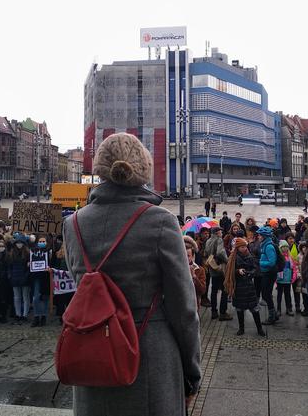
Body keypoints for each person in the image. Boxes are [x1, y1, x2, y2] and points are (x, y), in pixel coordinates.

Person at [62, 132, 200, 414]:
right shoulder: (160, 221)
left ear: (99, 168)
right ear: (143, 170)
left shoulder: (73, 224)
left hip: (93, 355)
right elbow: (184, 309)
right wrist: (191, 373)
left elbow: (84, 291)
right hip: (150, 358)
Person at [224, 237, 266, 337]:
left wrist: (249, 273)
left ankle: (259, 328)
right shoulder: (233, 258)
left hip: (249, 286)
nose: (244, 248)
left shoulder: (249, 256)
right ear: (237, 248)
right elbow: (229, 272)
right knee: (239, 309)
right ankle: (241, 328)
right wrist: (238, 271)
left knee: (254, 309)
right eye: (242, 247)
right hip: (238, 286)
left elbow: (254, 269)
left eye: (245, 246)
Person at [206, 227, 232, 321]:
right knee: (224, 290)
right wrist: (227, 260)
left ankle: (214, 312)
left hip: (212, 268)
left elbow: (206, 253)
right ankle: (223, 312)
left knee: (214, 290)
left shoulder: (208, 240)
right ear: (217, 233)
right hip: (220, 268)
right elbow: (220, 252)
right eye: (221, 231)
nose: (222, 233)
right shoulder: (219, 240)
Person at [256, 226, 280, 325]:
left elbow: (271, 262)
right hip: (267, 272)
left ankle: (271, 317)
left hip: (269, 273)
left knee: (266, 294)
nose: (258, 236)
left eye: (259, 235)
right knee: (266, 294)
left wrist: (260, 263)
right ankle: (274, 314)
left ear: (264, 236)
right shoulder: (264, 244)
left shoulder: (269, 246)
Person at [7, 235, 31, 323]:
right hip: (15, 278)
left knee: (25, 297)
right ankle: (18, 314)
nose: (19, 244)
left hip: (25, 278)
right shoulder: (11, 254)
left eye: (21, 243)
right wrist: (10, 276)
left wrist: (26, 276)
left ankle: (24, 315)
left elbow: (29, 268)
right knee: (17, 297)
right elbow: (9, 266)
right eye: (17, 243)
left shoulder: (28, 253)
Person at [29, 234, 50, 327]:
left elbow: (54, 262)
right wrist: (28, 263)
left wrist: (50, 268)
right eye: (40, 241)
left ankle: (44, 317)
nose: (41, 243)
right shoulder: (33, 251)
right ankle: (37, 316)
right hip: (36, 277)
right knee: (36, 298)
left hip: (46, 277)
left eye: (43, 241)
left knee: (44, 298)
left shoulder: (50, 251)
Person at [184, 236, 206, 311]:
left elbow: (202, 290)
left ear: (193, 256)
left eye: (188, 256)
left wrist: (194, 277)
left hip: (193, 307)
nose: (185, 258)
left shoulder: (199, 270)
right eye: (183, 255)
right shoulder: (174, 269)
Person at [276, 240, 296, 317]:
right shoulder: (278, 258)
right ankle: (278, 309)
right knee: (279, 295)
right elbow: (276, 268)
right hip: (280, 280)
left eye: (286, 247)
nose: (285, 248)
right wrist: (275, 279)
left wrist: (293, 277)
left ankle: (289, 308)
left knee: (288, 295)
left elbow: (294, 268)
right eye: (283, 247)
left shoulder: (290, 257)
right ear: (280, 248)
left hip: (288, 280)